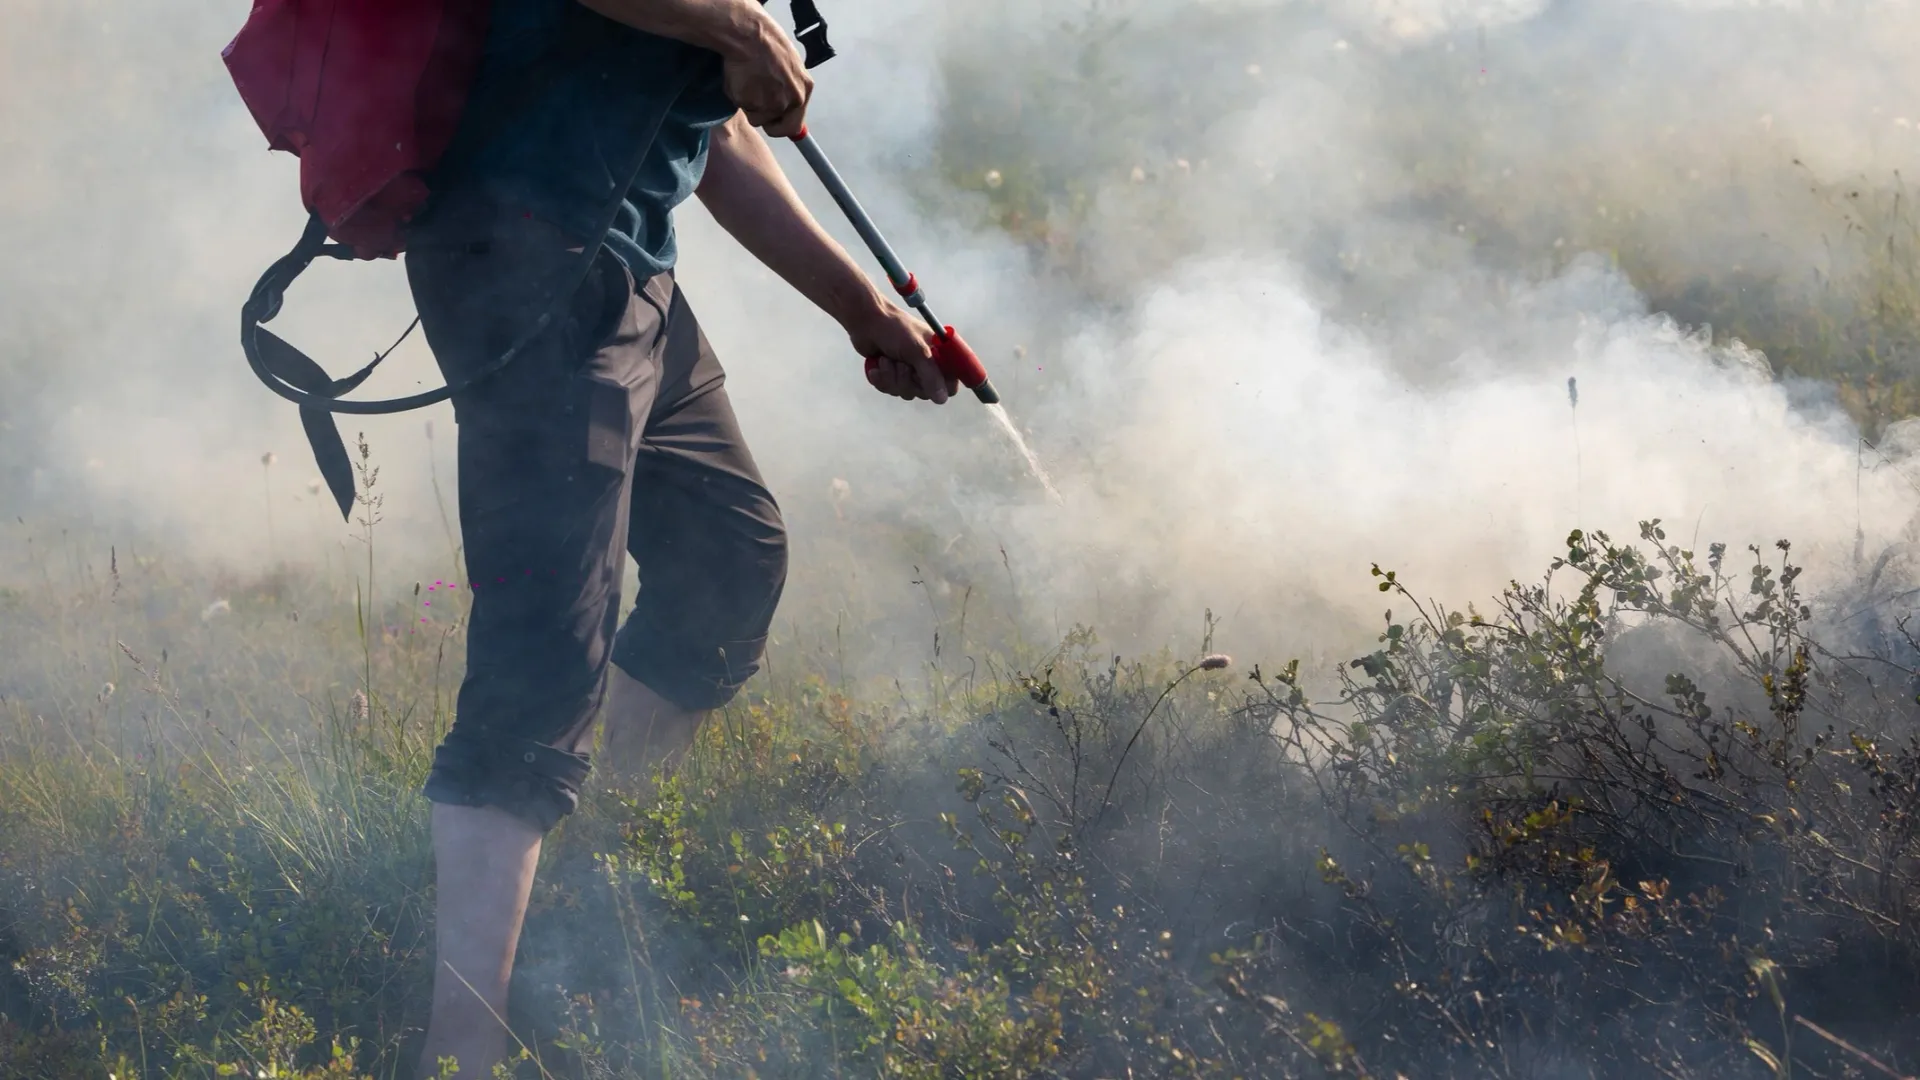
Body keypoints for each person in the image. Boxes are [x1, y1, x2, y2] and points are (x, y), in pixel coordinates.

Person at [403, 1, 959, 1074]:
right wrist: (749, 37)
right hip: (532, 258)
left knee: (727, 552)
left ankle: (584, 876)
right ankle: (457, 1054)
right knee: (539, 671)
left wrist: (860, 308)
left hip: (623, 269)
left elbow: (709, 132)